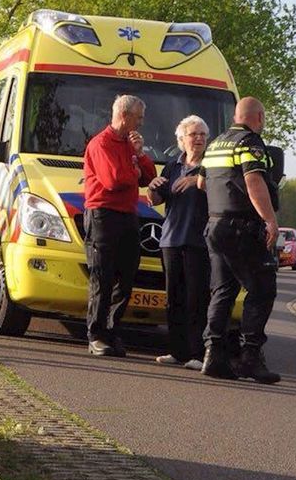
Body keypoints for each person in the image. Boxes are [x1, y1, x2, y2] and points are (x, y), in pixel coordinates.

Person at [200, 97, 281, 383]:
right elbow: (254, 180)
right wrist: (270, 219)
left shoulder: (215, 144)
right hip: (241, 226)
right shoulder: (250, 142)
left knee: (223, 290)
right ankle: (250, 357)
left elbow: (201, 183)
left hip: (215, 225)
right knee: (262, 289)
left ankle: (213, 354)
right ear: (258, 116)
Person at [82, 95, 157, 356]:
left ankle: (112, 331)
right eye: (139, 117)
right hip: (103, 215)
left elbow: (150, 177)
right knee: (102, 276)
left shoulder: (130, 144)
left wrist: (140, 156)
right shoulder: (100, 144)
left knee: (126, 276)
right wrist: (133, 173)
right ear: (124, 116)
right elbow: (113, 179)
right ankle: (96, 334)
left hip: (128, 214)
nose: (142, 122)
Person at [147, 116, 210, 370]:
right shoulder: (172, 166)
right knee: (174, 298)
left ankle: (197, 353)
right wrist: (152, 187)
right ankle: (177, 350)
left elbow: (223, 188)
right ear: (181, 140)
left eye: (203, 135)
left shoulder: (211, 167)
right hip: (171, 239)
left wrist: (198, 181)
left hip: (199, 241)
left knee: (196, 298)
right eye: (193, 134)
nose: (198, 139)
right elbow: (155, 200)